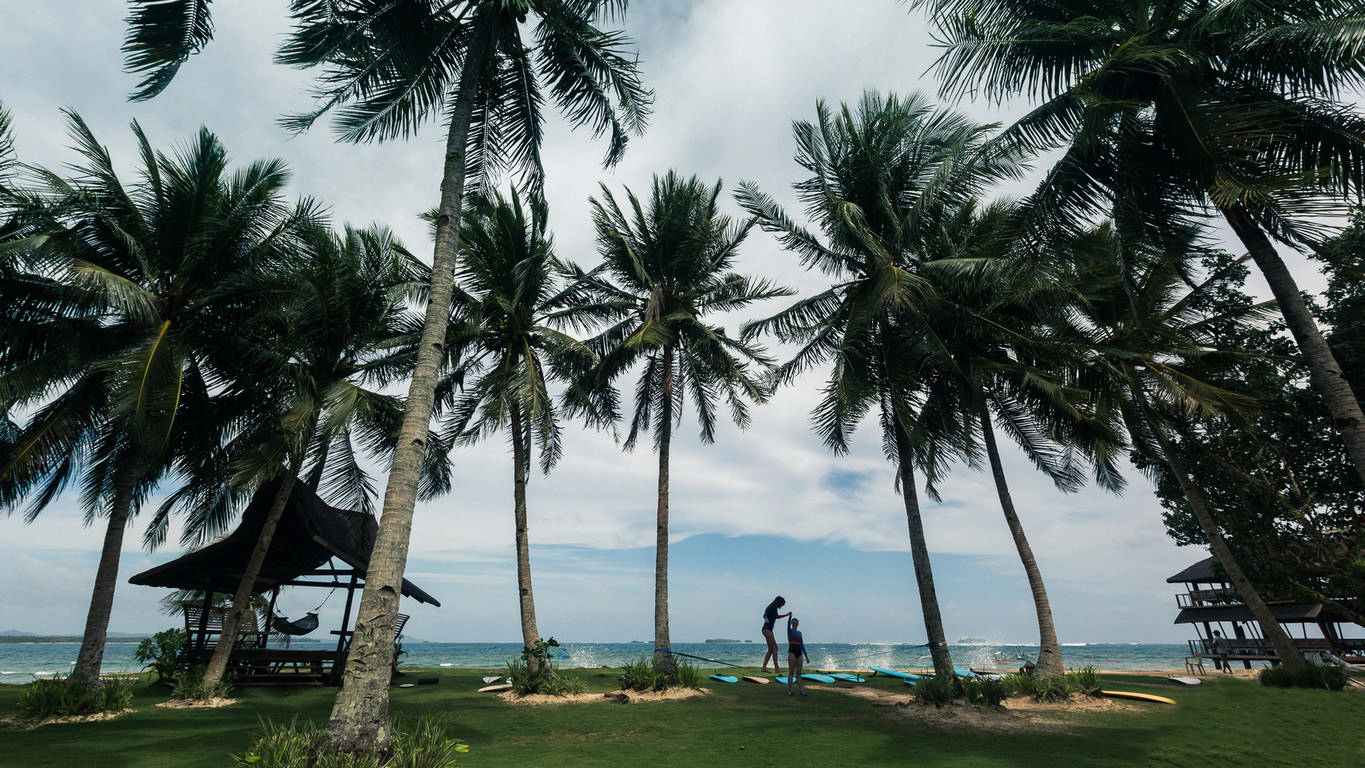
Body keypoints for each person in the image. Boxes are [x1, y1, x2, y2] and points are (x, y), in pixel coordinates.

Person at [760, 596, 790, 673]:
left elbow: (776, 617)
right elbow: (764, 614)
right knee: (775, 647)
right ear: (778, 602)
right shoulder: (770, 607)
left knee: (770, 649)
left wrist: (786, 615)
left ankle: (764, 667)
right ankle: (777, 668)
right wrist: (765, 618)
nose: (781, 606)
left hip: (768, 630)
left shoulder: (775, 608)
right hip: (766, 629)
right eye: (782, 604)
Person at [786, 616, 810, 696]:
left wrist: (806, 656)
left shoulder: (799, 633)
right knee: (791, 672)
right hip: (792, 652)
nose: (794, 624)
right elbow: (788, 625)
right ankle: (790, 690)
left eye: (796, 623)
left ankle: (801, 691)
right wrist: (790, 617)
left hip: (799, 653)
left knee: (799, 673)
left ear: (798, 624)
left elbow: (802, 644)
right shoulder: (789, 631)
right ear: (791, 624)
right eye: (793, 623)